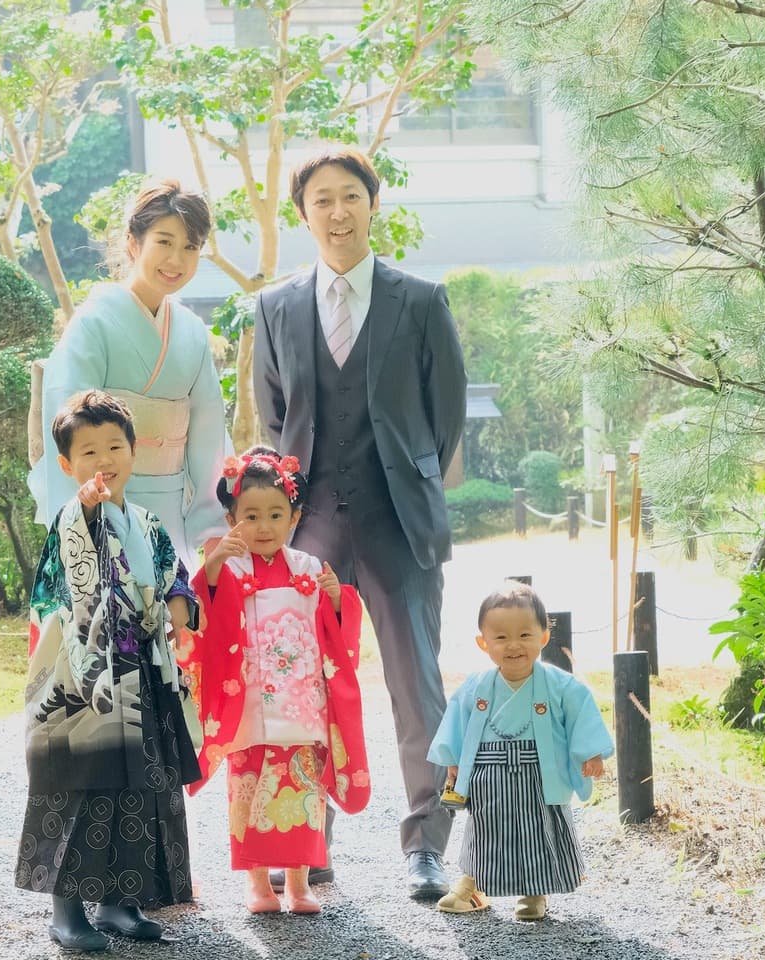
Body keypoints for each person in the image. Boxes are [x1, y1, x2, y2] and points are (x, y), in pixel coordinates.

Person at [252, 146, 466, 899]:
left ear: (374, 205)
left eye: (350, 197)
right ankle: (308, 843)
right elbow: (274, 422)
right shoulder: (276, 306)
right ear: (302, 214)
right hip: (309, 529)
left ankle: (426, 846)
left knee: (418, 689)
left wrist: (403, 483)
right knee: (299, 690)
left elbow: (444, 424)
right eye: (321, 201)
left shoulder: (422, 299)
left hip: (398, 524)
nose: (337, 213)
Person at [16, 390, 202, 952]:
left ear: (134, 451)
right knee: (79, 786)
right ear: (67, 465)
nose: (104, 460)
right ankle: (66, 910)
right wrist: (90, 513)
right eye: (88, 451)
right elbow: (66, 591)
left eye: (114, 446)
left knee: (141, 790)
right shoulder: (71, 520)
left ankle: (122, 902)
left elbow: (174, 575)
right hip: (86, 681)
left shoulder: (146, 522)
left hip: (143, 673)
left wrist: (178, 604)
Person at [178, 446, 371, 915]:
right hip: (247, 704)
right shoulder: (231, 568)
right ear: (231, 519)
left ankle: (299, 884)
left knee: (303, 794)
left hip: (301, 704)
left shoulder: (308, 569)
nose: (263, 526)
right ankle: (258, 884)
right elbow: (200, 614)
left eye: (275, 515)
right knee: (249, 792)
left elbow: (339, 628)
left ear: (294, 516)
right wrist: (214, 569)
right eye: (251, 516)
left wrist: (338, 601)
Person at [28, 180, 231, 568]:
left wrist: (210, 522)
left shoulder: (190, 330)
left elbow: (208, 433)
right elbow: (68, 425)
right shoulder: (95, 323)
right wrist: (86, 515)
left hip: (171, 507)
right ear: (134, 243)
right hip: (108, 504)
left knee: (171, 614)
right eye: (165, 242)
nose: (177, 259)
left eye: (190, 247)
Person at [427, 581, 613, 920]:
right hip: (489, 773)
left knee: (537, 831)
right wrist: (453, 763)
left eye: (525, 635)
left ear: (544, 636)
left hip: (540, 773)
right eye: (500, 637)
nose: (514, 645)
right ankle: (471, 886)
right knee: (484, 830)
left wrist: (591, 752)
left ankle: (534, 892)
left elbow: (582, 716)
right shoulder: (476, 686)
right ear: (483, 643)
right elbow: (455, 723)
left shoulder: (561, 685)